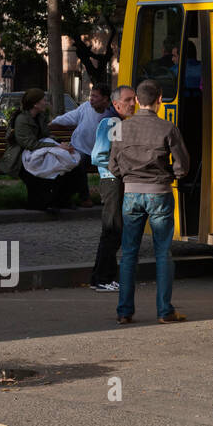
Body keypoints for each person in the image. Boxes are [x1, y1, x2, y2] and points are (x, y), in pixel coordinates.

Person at [110, 79, 189, 324]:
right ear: (160, 99)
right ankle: (165, 311)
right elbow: (182, 166)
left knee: (129, 253)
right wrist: (172, 175)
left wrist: (129, 175)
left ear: (136, 101)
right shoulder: (168, 128)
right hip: (160, 193)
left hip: (131, 194)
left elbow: (113, 166)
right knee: (163, 253)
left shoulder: (120, 128)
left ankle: (124, 311)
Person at [0, 88, 82, 211]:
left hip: (38, 152)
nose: (46, 102)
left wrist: (60, 143)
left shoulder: (40, 116)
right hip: (21, 158)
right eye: (43, 100)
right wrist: (56, 147)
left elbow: (46, 136)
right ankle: (43, 203)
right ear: (35, 104)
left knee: (71, 165)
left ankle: (60, 200)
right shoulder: (22, 119)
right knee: (46, 168)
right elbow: (29, 144)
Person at [88, 85, 136, 291]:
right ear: (116, 104)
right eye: (128, 100)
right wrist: (120, 169)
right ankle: (104, 279)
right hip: (112, 181)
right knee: (112, 231)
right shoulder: (113, 122)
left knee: (111, 231)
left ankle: (99, 277)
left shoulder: (115, 120)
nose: (133, 104)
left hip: (111, 180)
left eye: (134, 99)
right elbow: (98, 155)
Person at [49, 83, 115, 208]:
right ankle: (83, 198)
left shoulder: (111, 115)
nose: (91, 99)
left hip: (102, 153)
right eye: (91, 95)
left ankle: (111, 198)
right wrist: (53, 122)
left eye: (95, 96)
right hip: (80, 148)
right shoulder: (85, 107)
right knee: (77, 161)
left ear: (105, 99)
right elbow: (70, 117)